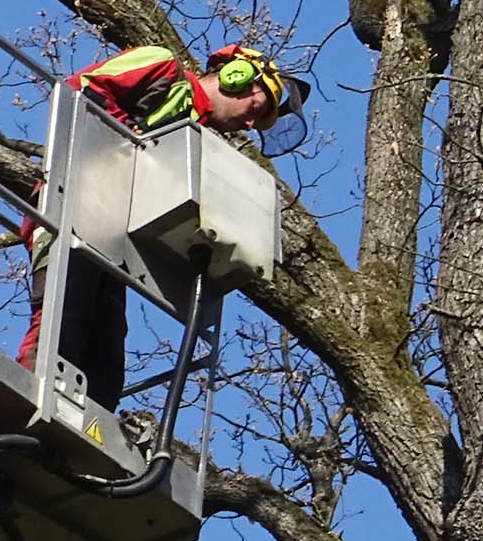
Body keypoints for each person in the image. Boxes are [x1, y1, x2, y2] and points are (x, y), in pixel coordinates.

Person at [16, 43, 309, 413]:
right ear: (236, 80)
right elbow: (80, 89)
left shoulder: (191, 147)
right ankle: (24, 403)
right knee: (62, 320)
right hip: (72, 203)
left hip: (113, 236)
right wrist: (122, 139)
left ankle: (84, 431)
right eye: (254, 109)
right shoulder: (160, 66)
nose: (249, 124)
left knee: (104, 359)